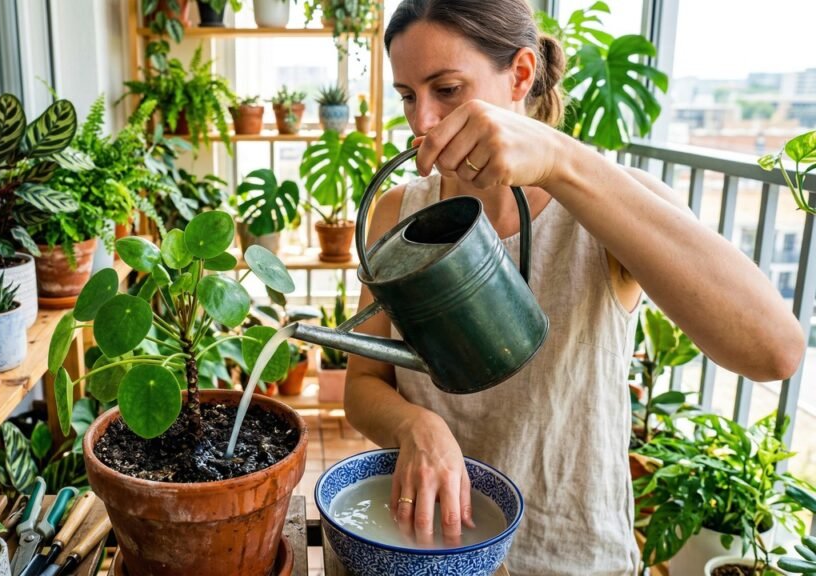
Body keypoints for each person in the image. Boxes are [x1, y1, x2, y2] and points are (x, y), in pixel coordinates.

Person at [343, 0, 806, 574]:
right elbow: (363, 382)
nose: (421, 123)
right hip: (434, 546)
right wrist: (417, 424)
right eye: (409, 95)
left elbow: (775, 351)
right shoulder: (400, 213)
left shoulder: (604, 204)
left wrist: (561, 161)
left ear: (519, 74)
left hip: (573, 551)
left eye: (448, 89)